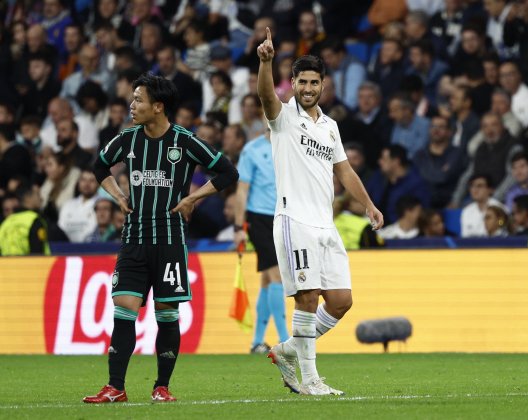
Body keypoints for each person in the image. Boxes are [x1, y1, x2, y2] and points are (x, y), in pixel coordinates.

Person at [84, 74, 238, 403]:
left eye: (138, 99)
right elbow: (99, 167)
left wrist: (192, 198)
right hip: (134, 237)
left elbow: (227, 172)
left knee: (166, 314)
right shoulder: (127, 139)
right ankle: (115, 387)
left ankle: (161, 387)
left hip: (170, 241)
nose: (132, 104)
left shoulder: (184, 141)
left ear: (158, 106)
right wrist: (118, 196)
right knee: (123, 308)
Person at [257, 28, 384, 396]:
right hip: (294, 220)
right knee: (308, 297)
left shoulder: (330, 127)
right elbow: (266, 96)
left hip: (325, 224)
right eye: (302, 81)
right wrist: (265, 62)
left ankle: (288, 350)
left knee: (342, 301)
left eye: (314, 81)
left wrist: (369, 205)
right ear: (292, 83)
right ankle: (311, 379)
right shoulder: (281, 117)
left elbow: (343, 170)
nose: (308, 88)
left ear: (323, 84)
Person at [233, 129, 290, 354]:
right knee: (277, 275)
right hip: (260, 219)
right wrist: (239, 227)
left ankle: (257, 341)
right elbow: (242, 189)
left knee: (268, 279)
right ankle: (286, 340)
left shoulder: (291, 142)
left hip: (285, 216)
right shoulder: (252, 150)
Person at [0, 184, 50, 256]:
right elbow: (38, 255)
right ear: (27, 198)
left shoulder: (5, 224)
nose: (41, 198)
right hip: (31, 266)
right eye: (38, 195)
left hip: (5, 266)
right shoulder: (34, 220)